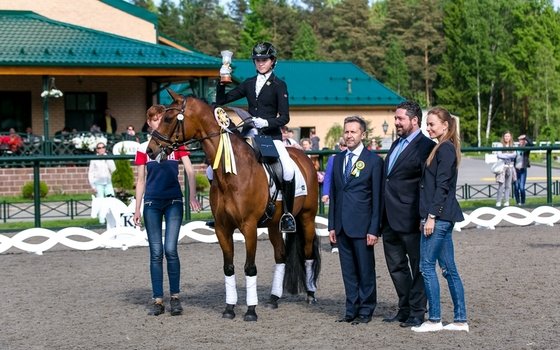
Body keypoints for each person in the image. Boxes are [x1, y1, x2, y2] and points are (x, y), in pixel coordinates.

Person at [215, 41, 296, 232]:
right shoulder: (249, 83)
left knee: (288, 170)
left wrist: (266, 122)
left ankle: (287, 214)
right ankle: (220, 212)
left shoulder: (279, 85)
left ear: (272, 61)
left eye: (264, 60)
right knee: (215, 169)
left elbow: (285, 117)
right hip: (249, 135)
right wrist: (221, 80)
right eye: (257, 60)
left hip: (271, 137)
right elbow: (222, 100)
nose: (260, 63)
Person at [133, 105, 201, 316]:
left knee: (170, 249)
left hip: (173, 201)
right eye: (154, 119)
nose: (157, 122)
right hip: (152, 203)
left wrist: (191, 196)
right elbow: (141, 180)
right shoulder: (144, 148)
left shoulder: (176, 146)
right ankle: (157, 299)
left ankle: (175, 297)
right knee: (156, 252)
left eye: (161, 119)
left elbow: (190, 171)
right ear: (149, 122)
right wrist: (137, 209)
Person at [413, 106, 468, 333]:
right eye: (427, 124)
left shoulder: (444, 150)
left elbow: (442, 186)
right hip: (443, 216)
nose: (428, 128)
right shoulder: (443, 148)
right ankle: (460, 320)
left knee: (426, 266)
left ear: (445, 126)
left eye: (432, 124)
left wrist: (431, 217)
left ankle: (434, 319)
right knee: (448, 268)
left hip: (439, 217)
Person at [381, 100, 436, 328]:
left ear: (415, 120)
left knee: (418, 267)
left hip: (412, 218)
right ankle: (404, 308)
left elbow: (428, 184)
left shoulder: (426, 147)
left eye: (400, 118)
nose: (396, 122)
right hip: (389, 217)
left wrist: (427, 217)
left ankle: (417, 311)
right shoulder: (396, 145)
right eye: (395, 118)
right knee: (396, 267)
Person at [328, 115, 383, 325]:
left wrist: (374, 229)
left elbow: (377, 198)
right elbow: (335, 194)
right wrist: (332, 224)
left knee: (365, 271)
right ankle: (351, 309)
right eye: (347, 131)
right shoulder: (338, 159)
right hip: (341, 226)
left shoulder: (374, 161)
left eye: (353, 131)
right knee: (348, 271)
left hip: (363, 226)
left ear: (363, 134)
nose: (349, 135)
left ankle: (366, 309)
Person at [321, 137, 347, 254]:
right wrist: (326, 193)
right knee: (335, 217)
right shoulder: (333, 159)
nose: (346, 148)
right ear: (341, 147)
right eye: (344, 146)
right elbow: (328, 177)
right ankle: (334, 243)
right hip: (336, 193)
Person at [495, 131, 517, 207]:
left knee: (508, 185)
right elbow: (499, 155)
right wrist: (509, 155)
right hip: (502, 167)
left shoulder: (513, 145)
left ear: (510, 137)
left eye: (508, 136)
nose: (507, 138)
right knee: (501, 185)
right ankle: (498, 201)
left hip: (510, 167)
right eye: (505, 136)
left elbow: (514, 155)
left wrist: (505, 155)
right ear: (503, 137)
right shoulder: (500, 145)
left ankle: (506, 201)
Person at [514, 134, 533, 206]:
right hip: (515, 169)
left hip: (522, 170)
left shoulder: (526, 148)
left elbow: (531, 144)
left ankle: (523, 202)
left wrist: (525, 137)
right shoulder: (515, 148)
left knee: (521, 187)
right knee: (516, 187)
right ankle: (517, 202)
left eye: (523, 140)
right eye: (520, 140)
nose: (521, 141)